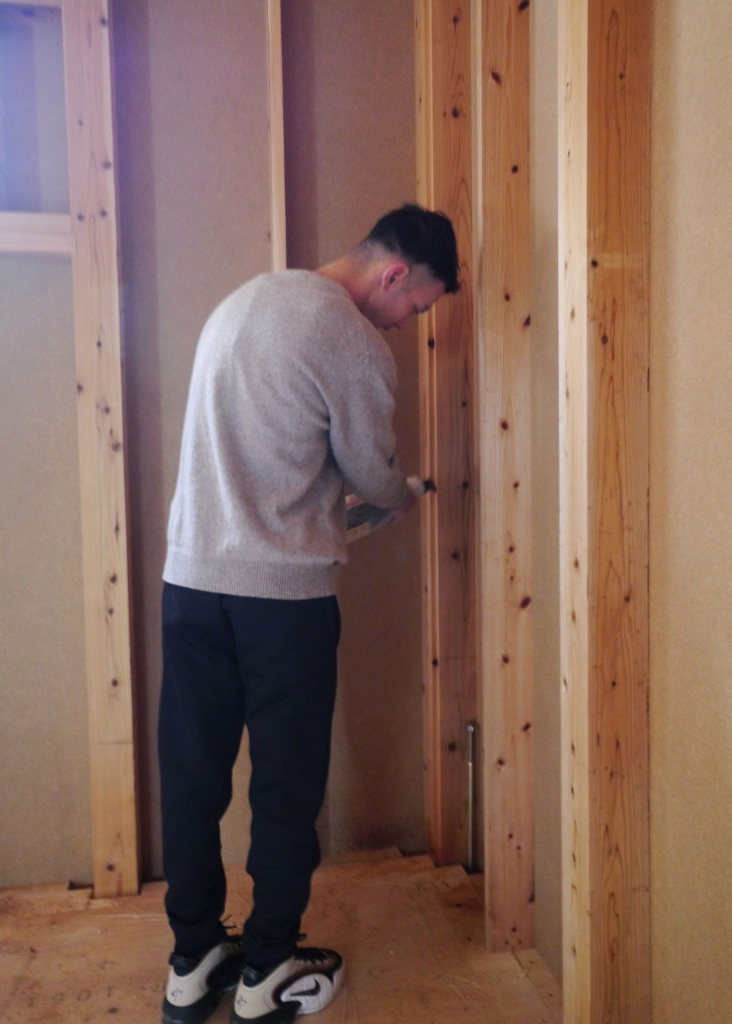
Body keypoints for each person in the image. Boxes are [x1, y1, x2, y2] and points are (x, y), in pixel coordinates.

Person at [158, 203, 460, 1024]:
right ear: (394, 274)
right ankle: (266, 969)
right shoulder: (348, 337)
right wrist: (398, 495)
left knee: (192, 778)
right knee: (286, 790)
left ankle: (192, 962)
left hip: (190, 584)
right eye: (416, 306)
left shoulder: (244, 301)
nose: (404, 324)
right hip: (280, 602)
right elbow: (371, 470)